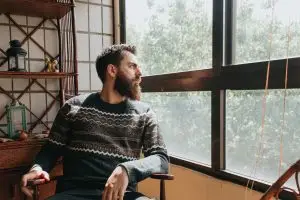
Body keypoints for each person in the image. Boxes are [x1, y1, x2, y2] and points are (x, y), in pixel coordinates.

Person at [21, 44, 169, 200]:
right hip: (74, 194)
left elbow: (161, 159)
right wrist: (37, 168)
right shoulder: (73, 107)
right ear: (112, 70)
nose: (140, 73)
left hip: (123, 196)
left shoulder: (144, 113)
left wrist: (127, 169)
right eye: (132, 66)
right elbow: (51, 150)